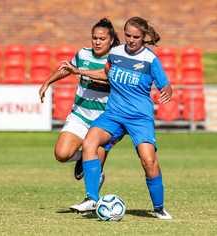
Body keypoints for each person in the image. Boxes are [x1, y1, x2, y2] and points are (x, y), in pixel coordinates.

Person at [59, 16, 173, 220]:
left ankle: (159, 207)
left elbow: (165, 84)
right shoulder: (115, 53)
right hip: (113, 114)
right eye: (128, 35)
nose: (131, 40)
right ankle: (92, 198)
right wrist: (78, 70)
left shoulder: (150, 60)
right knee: (90, 142)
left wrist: (168, 91)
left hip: (139, 118)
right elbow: (106, 74)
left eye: (136, 37)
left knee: (148, 160)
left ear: (143, 37)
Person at [39, 18, 125, 211]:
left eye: (102, 38)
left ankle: (91, 199)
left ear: (111, 40)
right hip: (80, 115)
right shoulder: (83, 54)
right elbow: (66, 69)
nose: (97, 41)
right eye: (94, 37)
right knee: (61, 154)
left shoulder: (117, 58)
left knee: (93, 164)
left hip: (105, 120)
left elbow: (109, 79)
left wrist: (80, 72)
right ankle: (81, 158)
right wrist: (48, 82)